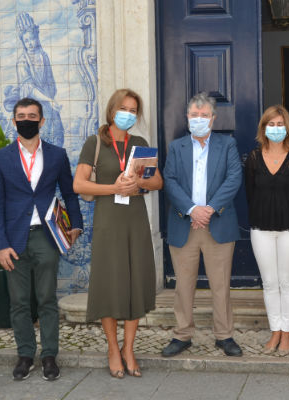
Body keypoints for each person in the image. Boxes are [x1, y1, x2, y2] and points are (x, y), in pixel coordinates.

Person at [0, 97, 83, 382]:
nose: (26, 120)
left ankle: (50, 356)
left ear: (41, 121)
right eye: (21, 116)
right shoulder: (0, 158)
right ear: (14, 121)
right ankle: (26, 355)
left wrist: (76, 224)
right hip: (13, 238)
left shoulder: (56, 155)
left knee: (47, 299)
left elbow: (69, 192)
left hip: (46, 236)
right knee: (18, 301)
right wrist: (0, 245)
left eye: (32, 116)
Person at [73, 89, 163, 378]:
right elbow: (79, 184)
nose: (128, 114)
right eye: (124, 108)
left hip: (135, 220)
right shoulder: (95, 143)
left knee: (135, 281)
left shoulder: (140, 144)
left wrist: (139, 181)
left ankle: (129, 348)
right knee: (110, 284)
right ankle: (113, 347)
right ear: (112, 111)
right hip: (108, 222)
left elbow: (157, 182)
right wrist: (114, 188)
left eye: (133, 110)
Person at [161, 92, 243, 358]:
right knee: (183, 285)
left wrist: (209, 209)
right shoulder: (177, 147)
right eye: (194, 115)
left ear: (213, 118)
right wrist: (192, 209)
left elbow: (234, 178)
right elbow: (169, 180)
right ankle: (182, 334)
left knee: (220, 285)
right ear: (187, 117)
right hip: (185, 224)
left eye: (204, 115)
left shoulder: (227, 144)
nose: (199, 119)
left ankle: (224, 335)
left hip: (217, 223)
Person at [244, 105, 289, 356]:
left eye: (280, 124)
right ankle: (275, 331)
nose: (275, 128)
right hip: (261, 229)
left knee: (287, 282)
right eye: (271, 124)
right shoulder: (253, 158)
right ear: (263, 128)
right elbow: (250, 193)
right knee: (270, 283)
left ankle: (287, 333)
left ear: (288, 128)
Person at [3, 12, 65, 147]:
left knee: (56, 137)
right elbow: (29, 89)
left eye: (31, 39)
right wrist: (49, 100)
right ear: (23, 43)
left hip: (47, 105)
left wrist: (50, 100)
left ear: (36, 37)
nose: (30, 43)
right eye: (26, 41)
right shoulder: (22, 61)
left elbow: (51, 84)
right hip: (30, 107)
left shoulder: (44, 56)